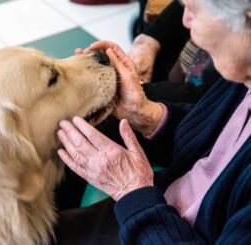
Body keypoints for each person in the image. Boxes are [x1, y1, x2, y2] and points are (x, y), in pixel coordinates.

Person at [54, 0, 251, 244]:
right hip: (160, 205)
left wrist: (132, 191)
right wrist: (145, 114)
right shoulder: (241, 78)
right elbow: (216, 143)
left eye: (194, 10)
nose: (185, 20)